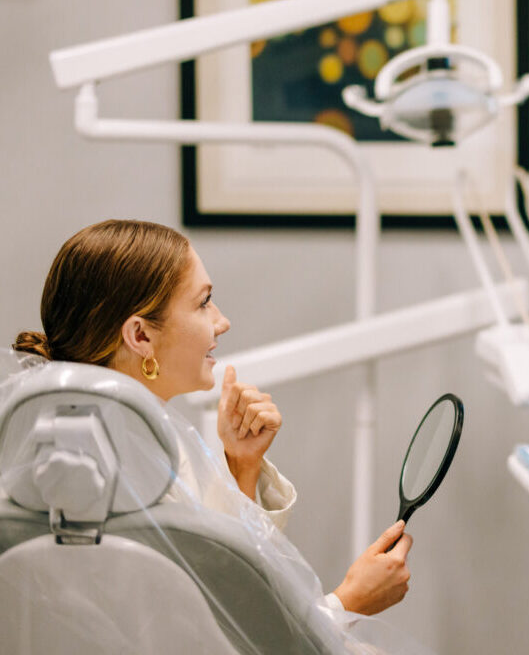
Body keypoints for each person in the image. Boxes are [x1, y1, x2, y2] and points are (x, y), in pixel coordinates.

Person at [12, 218, 412, 619]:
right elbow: (222, 635)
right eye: (203, 302)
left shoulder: (82, 439)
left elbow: (221, 587)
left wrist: (242, 466)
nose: (221, 321)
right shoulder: (118, 476)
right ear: (141, 337)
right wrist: (348, 604)